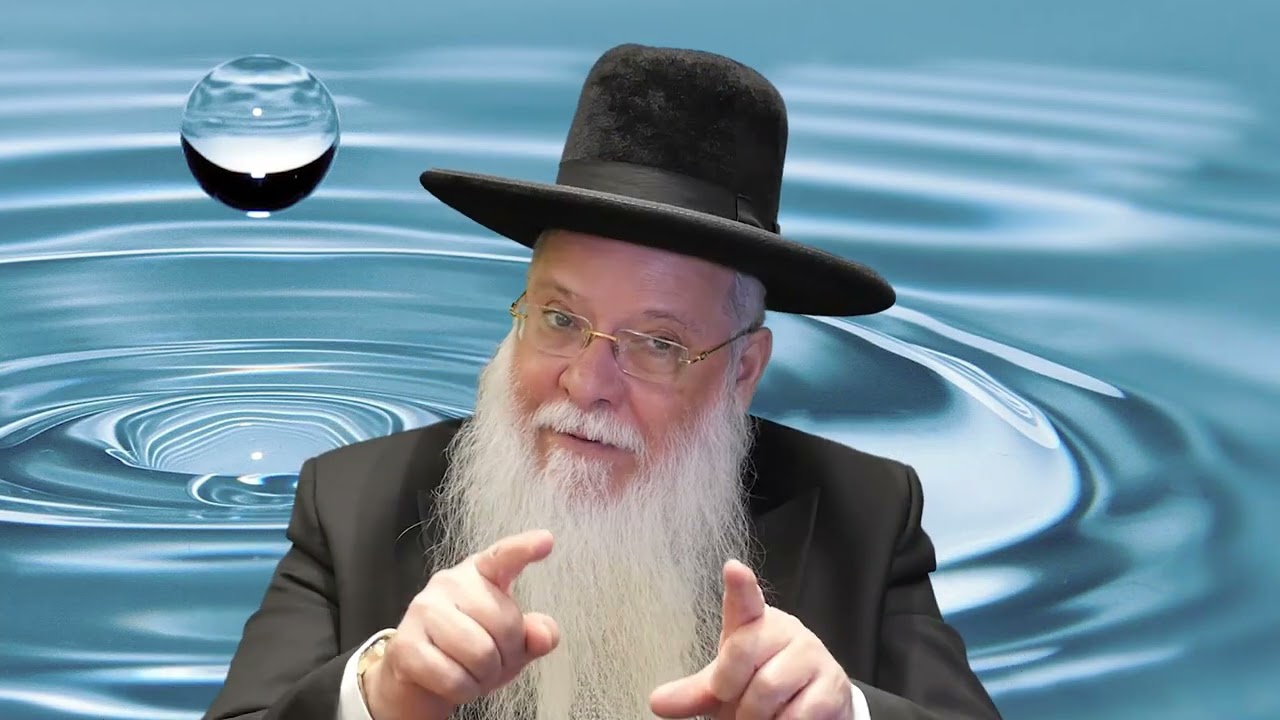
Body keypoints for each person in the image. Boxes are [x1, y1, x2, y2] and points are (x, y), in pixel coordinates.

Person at [202, 43, 1003, 720]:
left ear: (743, 372)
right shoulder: (354, 502)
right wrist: (381, 696)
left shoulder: (865, 516)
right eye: (559, 318)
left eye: (657, 343)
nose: (587, 383)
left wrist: (842, 713)